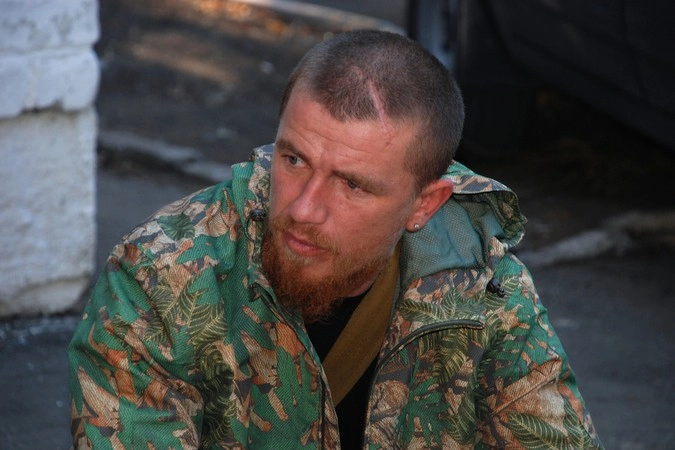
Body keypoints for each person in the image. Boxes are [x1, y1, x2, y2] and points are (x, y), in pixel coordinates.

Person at [68, 30, 603, 449]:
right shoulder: (160, 278)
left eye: (352, 185)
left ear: (425, 204)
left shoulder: (487, 294)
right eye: (294, 159)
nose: (303, 209)